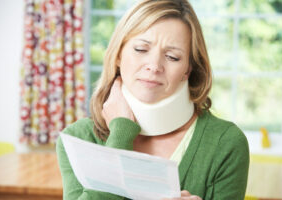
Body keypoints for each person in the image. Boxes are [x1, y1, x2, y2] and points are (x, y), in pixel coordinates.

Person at [56, 0, 249, 199]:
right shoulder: (78, 139)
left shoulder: (226, 143)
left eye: (173, 57)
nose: (154, 65)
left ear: (188, 70)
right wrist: (121, 131)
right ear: (118, 56)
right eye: (140, 49)